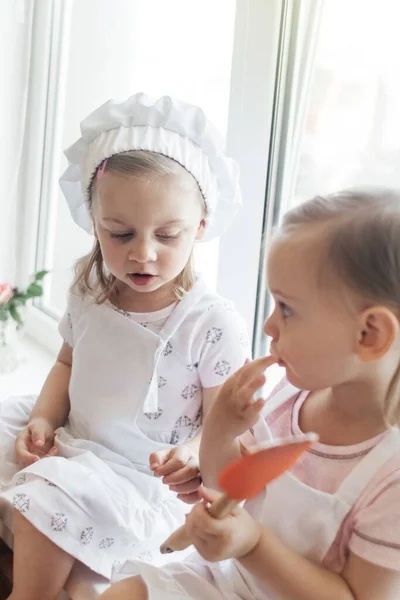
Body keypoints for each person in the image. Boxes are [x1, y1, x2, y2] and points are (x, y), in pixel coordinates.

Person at [0, 93, 250, 600]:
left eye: (167, 234)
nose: (143, 253)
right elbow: (68, 361)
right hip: (78, 438)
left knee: (48, 496)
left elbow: (224, 418)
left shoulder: (209, 321)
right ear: (95, 223)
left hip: (141, 476)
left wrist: (191, 451)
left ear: (200, 227)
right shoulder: (90, 292)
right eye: (120, 233)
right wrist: (45, 417)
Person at [102, 189, 400, 600]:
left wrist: (254, 545)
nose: (269, 326)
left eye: (288, 309)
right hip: (223, 581)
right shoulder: (292, 394)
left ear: (370, 335)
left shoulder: (392, 477)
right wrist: (221, 433)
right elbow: (230, 488)